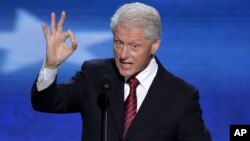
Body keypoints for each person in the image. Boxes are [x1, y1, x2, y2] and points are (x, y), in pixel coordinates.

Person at [31, 2, 211, 141]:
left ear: (154, 44)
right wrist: (51, 65)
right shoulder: (95, 75)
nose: (124, 55)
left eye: (134, 46)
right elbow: (46, 102)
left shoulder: (181, 96)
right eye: (118, 43)